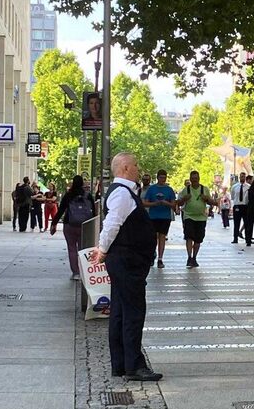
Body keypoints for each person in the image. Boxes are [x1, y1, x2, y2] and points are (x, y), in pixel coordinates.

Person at [89, 152, 161, 382]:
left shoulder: (124, 192)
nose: (139, 168)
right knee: (133, 312)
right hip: (127, 261)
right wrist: (102, 249)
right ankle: (134, 365)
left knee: (120, 311)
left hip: (124, 260)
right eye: (136, 165)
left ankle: (121, 363)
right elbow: (112, 225)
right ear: (126, 168)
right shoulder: (122, 193)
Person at [50, 175, 96, 280]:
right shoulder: (88, 196)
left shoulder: (68, 195)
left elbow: (60, 210)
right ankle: (83, 271)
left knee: (72, 249)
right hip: (84, 226)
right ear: (82, 184)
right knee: (82, 249)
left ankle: (75, 273)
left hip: (69, 225)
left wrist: (54, 224)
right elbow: (93, 211)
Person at [178, 170, 216, 268]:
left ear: (199, 179)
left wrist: (207, 199)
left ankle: (194, 257)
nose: (194, 180)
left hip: (201, 217)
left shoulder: (204, 189)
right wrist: (184, 199)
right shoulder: (185, 190)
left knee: (198, 239)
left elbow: (212, 202)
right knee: (189, 237)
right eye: (193, 178)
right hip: (189, 216)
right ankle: (189, 257)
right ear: (190, 179)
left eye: (196, 178)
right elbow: (179, 203)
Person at [142, 169, 177, 269]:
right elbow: (145, 202)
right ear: (157, 178)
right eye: (161, 177)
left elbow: (174, 204)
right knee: (153, 238)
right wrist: (154, 204)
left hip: (165, 217)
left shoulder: (169, 190)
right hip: (153, 216)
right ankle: (152, 255)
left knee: (162, 237)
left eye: (164, 178)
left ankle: (160, 259)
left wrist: (167, 203)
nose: (163, 179)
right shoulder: (152, 189)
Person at [231, 172, 250, 243]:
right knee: (236, 223)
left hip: (245, 206)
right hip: (237, 206)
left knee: (246, 223)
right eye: (241, 177)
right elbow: (232, 197)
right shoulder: (234, 187)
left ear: (245, 178)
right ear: (239, 177)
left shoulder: (248, 187)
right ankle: (235, 238)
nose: (242, 178)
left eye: (244, 177)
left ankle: (247, 239)